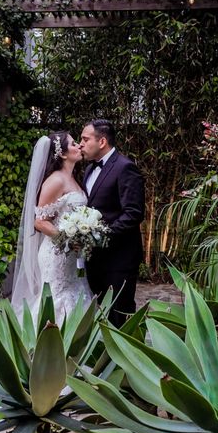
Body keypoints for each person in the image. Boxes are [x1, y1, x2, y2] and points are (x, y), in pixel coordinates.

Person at [11, 131, 93, 322]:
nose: (79, 146)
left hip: (72, 255)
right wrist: (67, 240)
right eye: (74, 144)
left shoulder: (73, 178)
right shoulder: (56, 180)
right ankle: (47, 342)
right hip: (56, 254)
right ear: (63, 154)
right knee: (57, 296)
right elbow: (39, 221)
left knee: (75, 292)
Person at [79, 119, 145, 327]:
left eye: (85, 139)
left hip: (119, 260)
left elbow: (133, 213)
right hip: (95, 260)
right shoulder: (89, 169)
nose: (81, 144)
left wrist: (99, 235)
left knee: (120, 315)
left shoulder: (125, 168)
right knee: (102, 317)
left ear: (102, 141)